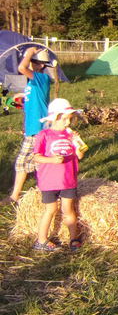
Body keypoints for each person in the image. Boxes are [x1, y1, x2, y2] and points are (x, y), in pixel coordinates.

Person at [31, 98, 87, 252]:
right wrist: (51, 160)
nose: (68, 123)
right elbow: (36, 156)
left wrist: (78, 144)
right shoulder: (44, 135)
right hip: (49, 181)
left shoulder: (70, 135)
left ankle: (74, 238)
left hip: (68, 180)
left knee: (68, 210)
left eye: (70, 119)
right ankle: (41, 240)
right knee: (51, 209)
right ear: (55, 118)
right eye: (65, 119)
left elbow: (79, 156)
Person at [5, 47, 53, 205]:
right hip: (32, 128)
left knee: (26, 162)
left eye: (33, 61)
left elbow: (21, 68)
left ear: (41, 65)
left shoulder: (42, 78)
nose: (30, 63)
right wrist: (20, 97)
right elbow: (31, 103)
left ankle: (20, 196)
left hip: (38, 128)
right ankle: (35, 194)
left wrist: (29, 53)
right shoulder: (33, 82)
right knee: (31, 163)